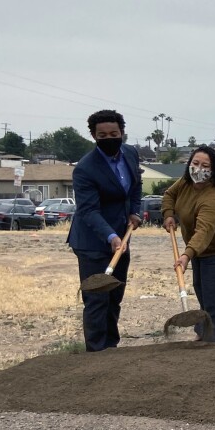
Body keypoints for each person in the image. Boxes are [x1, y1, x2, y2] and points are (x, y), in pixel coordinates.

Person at [67, 109, 142, 352]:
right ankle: (96, 354)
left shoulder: (130, 154)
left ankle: (111, 350)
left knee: (114, 296)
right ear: (93, 135)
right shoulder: (85, 169)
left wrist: (135, 212)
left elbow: (135, 188)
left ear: (122, 133)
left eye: (114, 133)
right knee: (97, 298)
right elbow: (88, 211)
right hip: (93, 242)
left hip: (123, 236)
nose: (109, 138)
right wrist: (110, 236)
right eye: (103, 135)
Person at [162, 146, 215, 342]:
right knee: (201, 290)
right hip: (198, 251)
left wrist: (187, 255)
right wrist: (168, 214)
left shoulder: (213, 197)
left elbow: (204, 231)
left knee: (213, 298)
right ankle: (203, 333)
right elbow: (169, 195)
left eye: (205, 166)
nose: (198, 169)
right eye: (195, 163)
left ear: (213, 171)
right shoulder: (185, 183)